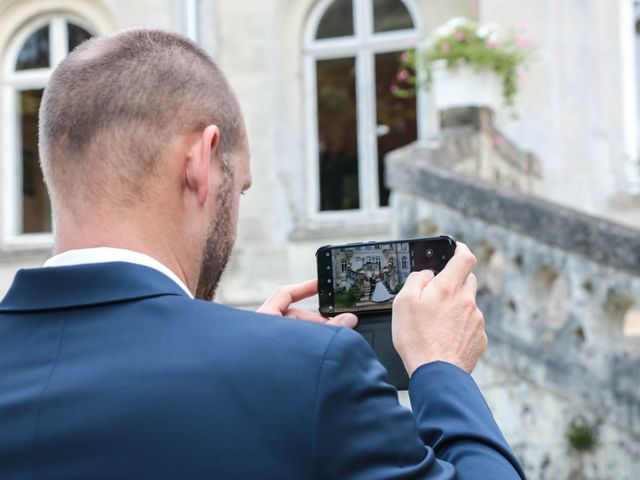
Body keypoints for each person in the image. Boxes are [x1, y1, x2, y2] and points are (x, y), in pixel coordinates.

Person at [0, 29, 525, 479]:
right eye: (241, 188)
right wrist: (440, 368)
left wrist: (252, 357)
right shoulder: (310, 373)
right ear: (202, 162)